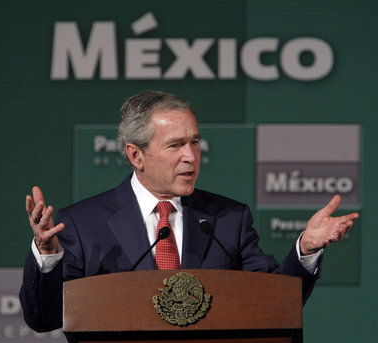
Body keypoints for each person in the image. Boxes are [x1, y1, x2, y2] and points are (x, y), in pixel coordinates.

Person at [19, 90, 359, 332]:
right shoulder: (81, 224)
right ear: (136, 156)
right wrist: (47, 258)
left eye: (194, 141)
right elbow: (44, 319)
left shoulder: (228, 219)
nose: (191, 156)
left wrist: (305, 250)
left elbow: (274, 303)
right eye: (175, 145)